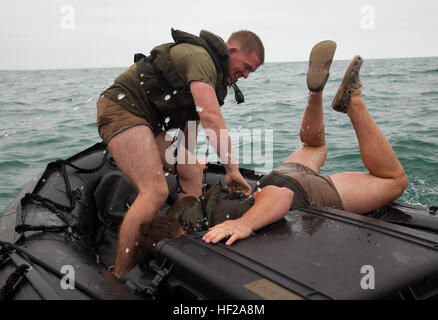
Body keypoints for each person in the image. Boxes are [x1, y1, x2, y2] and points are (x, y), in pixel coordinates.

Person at [140, 41, 408, 250]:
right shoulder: (192, 202)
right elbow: (173, 160)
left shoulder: (216, 222)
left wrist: (244, 224)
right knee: (314, 147)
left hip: (296, 191)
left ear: (184, 235)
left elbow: (281, 198)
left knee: (394, 181)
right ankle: (315, 93)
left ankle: (355, 104)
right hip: (277, 177)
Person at [96, 28, 264, 277]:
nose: (247, 76)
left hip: (146, 123)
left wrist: (189, 159)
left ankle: (187, 245)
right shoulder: (200, 58)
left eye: (252, 71)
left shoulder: (214, 81)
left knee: (191, 170)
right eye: (247, 67)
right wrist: (232, 169)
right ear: (232, 50)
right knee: (154, 191)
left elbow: (192, 124)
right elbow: (210, 116)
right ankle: (119, 276)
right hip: (121, 109)